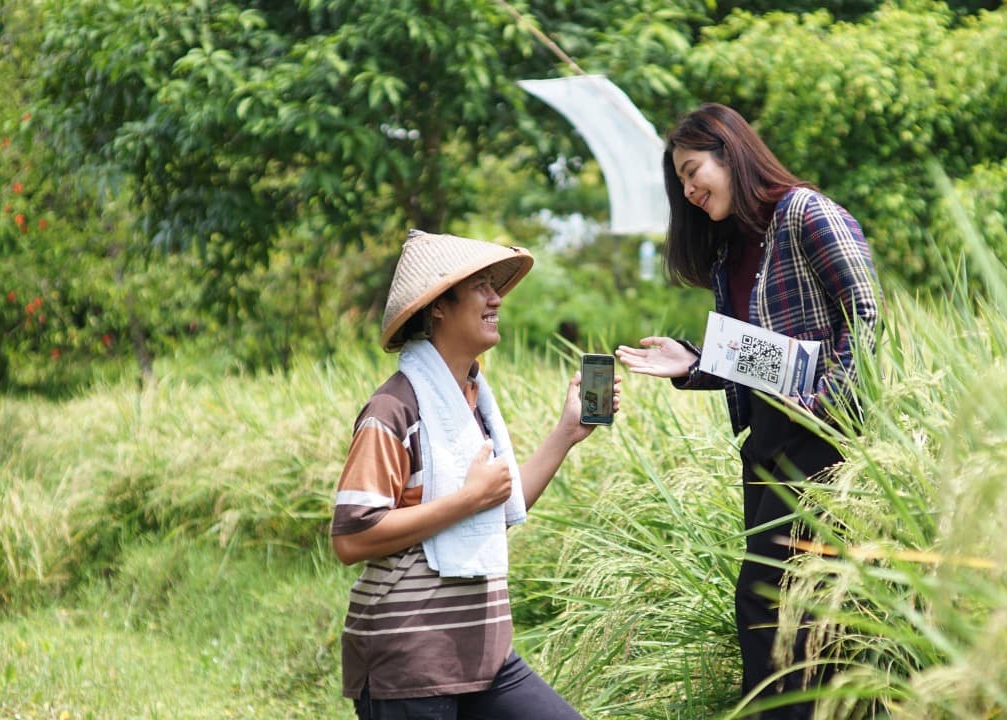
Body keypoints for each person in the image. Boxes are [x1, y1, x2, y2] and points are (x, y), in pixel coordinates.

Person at [615, 103, 881, 717]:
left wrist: (825, 404)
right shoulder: (729, 252)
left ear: (730, 154)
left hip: (823, 437)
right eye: (680, 181)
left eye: (692, 171)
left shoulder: (805, 213)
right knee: (788, 604)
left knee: (770, 598)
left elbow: (865, 313)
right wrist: (692, 361)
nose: (688, 190)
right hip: (764, 440)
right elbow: (760, 358)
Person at [331, 229, 620, 720]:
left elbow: (498, 506)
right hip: (410, 662)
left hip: (483, 656)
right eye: (480, 287)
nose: (496, 299)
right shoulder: (393, 410)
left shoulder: (472, 401)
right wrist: (467, 500)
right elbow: (351, 538)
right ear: (438, 307)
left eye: (495, 286)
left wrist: (566, 434)